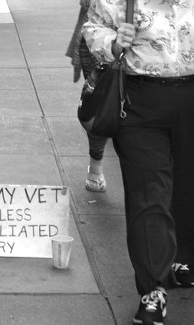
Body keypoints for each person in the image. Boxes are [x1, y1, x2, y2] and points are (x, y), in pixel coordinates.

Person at [83, 1, 194, 324]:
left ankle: (182, 258)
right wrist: (114, 43)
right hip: (139, 102)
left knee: (187, 187)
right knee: (149, 195)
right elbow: (92, 28)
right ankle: (153, 289)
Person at [65, 0, 108, 192]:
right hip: (99, 43)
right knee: (98, 110)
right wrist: (77, 51)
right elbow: (87, 9)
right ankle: (95, 169)